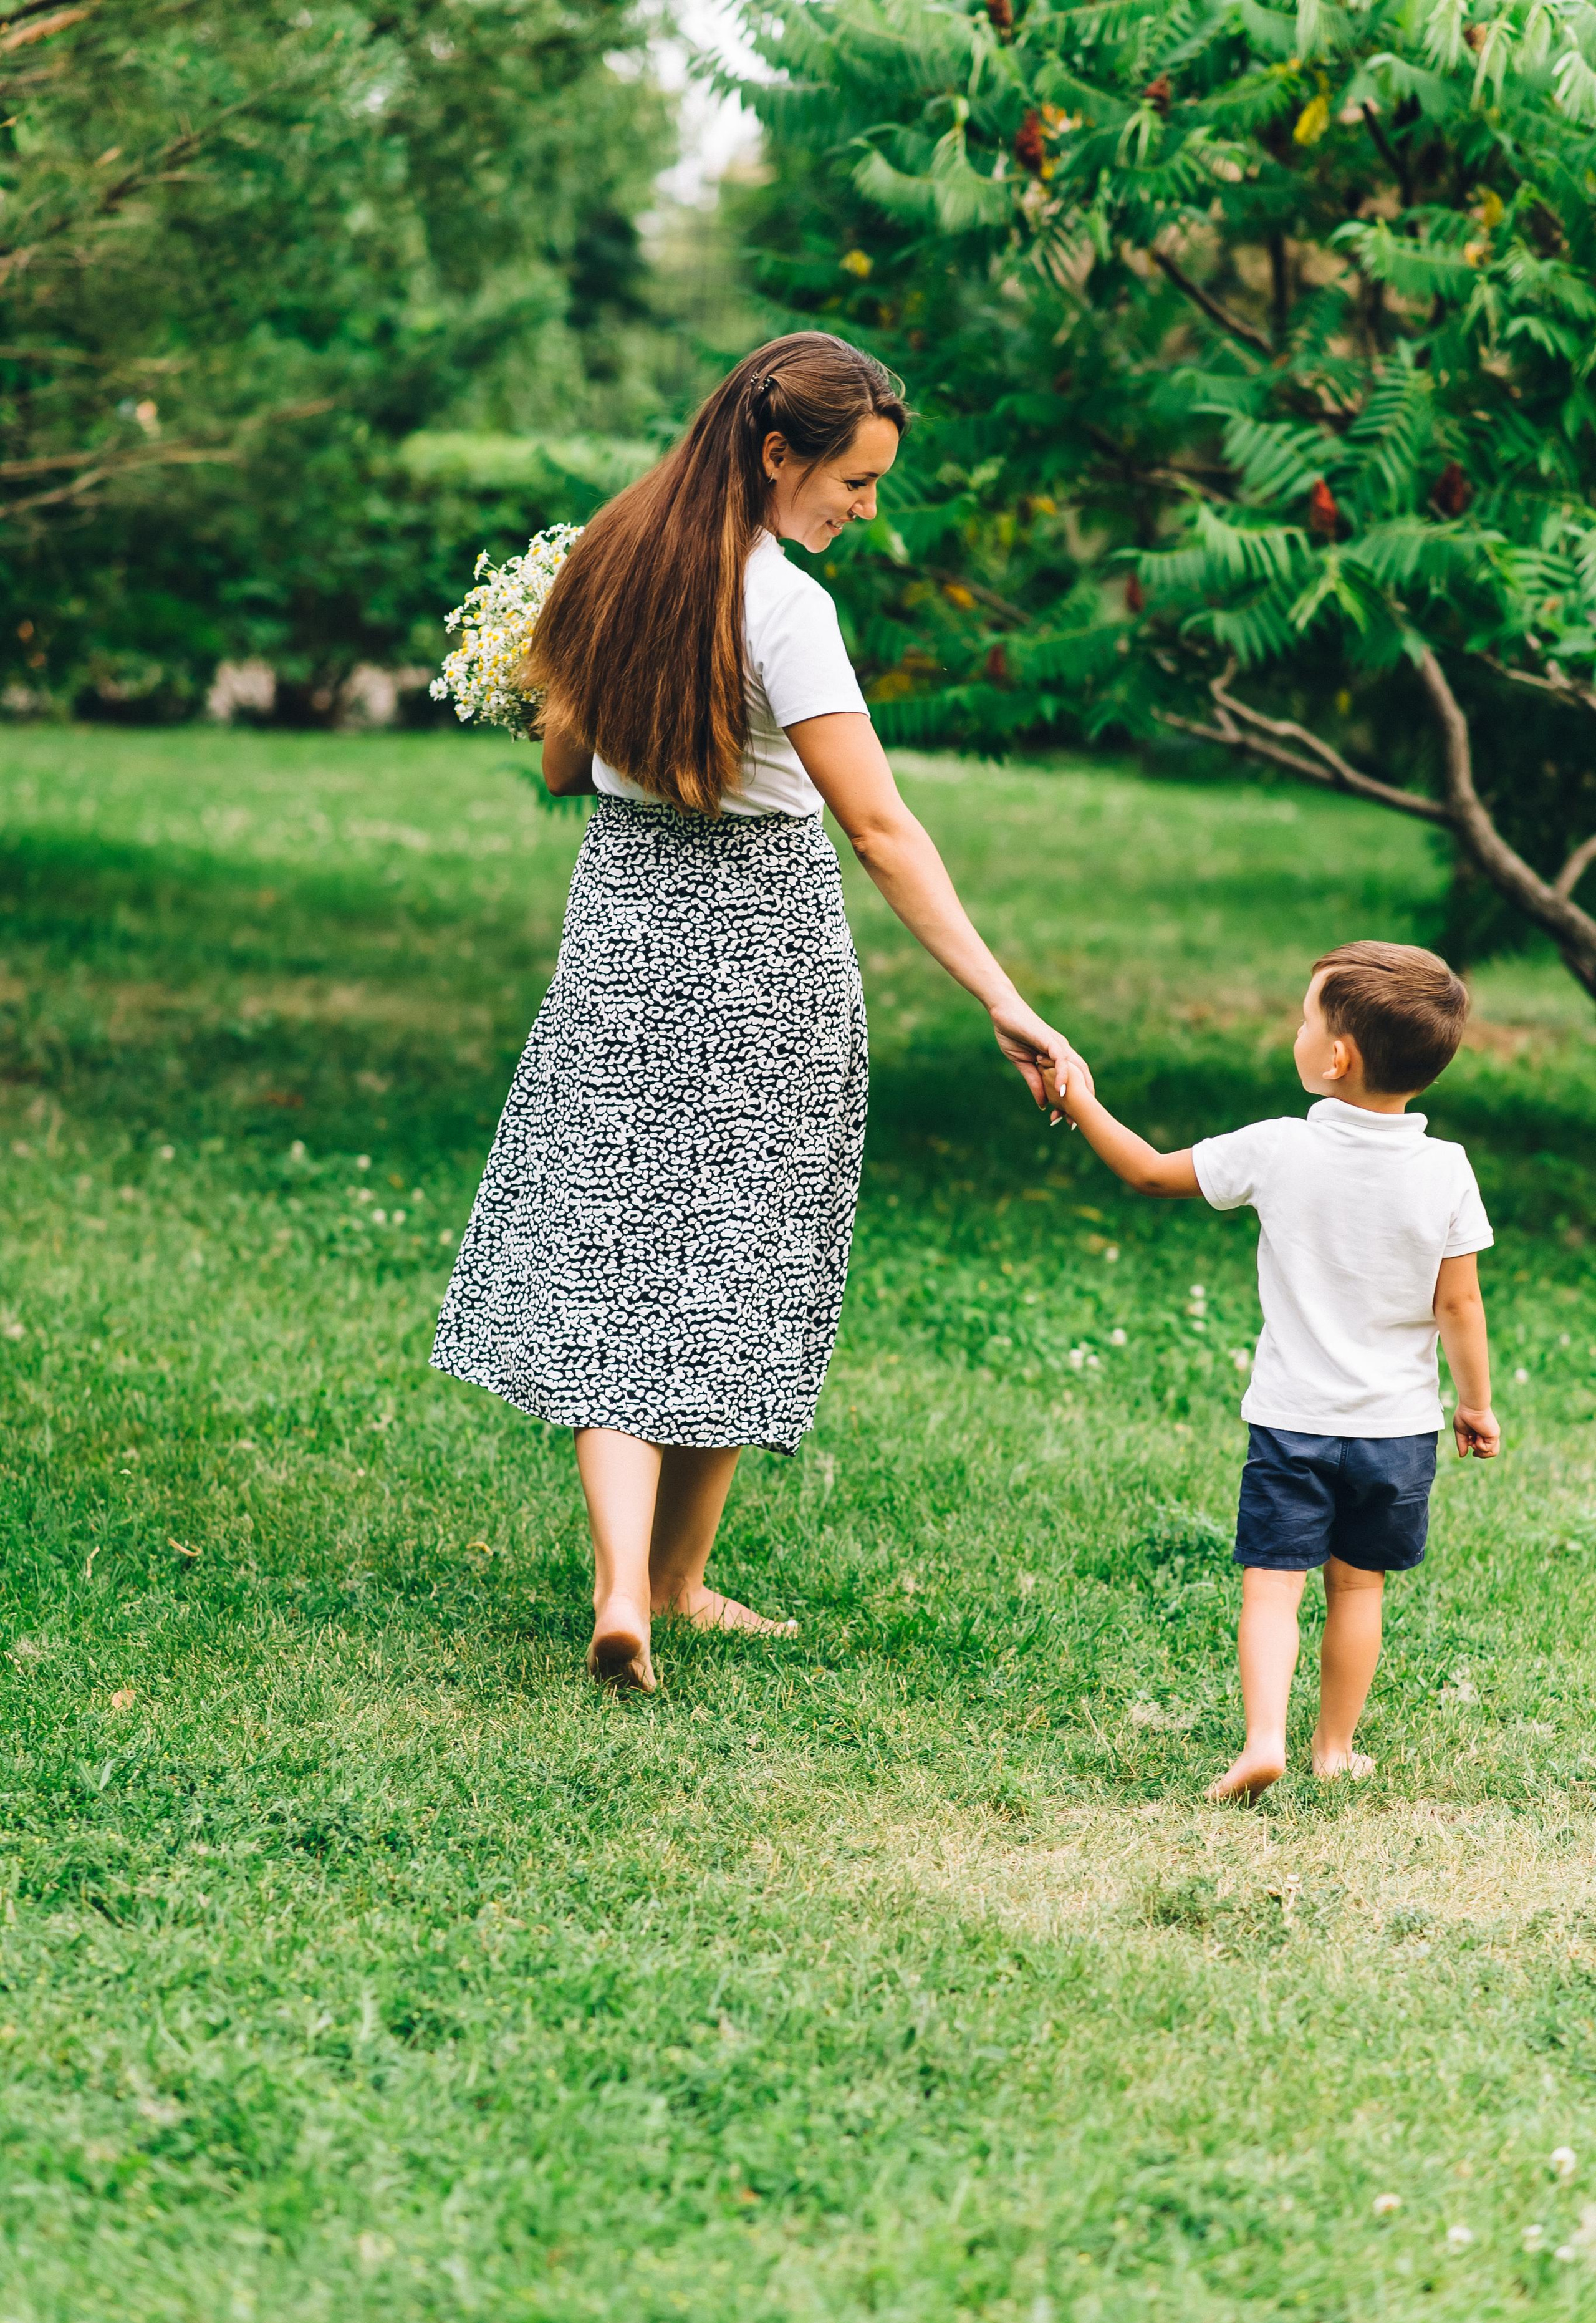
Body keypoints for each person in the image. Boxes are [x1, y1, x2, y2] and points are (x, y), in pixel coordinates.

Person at [432, 331, 1090, 1691]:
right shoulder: (785, 607)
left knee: (614, 1253)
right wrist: (1003, 997)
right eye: (854, 481)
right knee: (740, 1254)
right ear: (777, 454)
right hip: (764, 956)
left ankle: (630, 1586)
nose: (867, 508)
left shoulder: (611, 554)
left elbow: (562, 765)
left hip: (622, 937)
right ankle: (670, 1581)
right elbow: (880, 830)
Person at [1052, 939, 1499, 1802]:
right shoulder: (1446, 1169)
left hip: (1294, 1420)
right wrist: (1474, 1404)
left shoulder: (1278, 1148)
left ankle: (1264, 1740)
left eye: (1305, 1019)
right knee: (1358, 1589)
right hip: (1396, 1431)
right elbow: (1460, 1304)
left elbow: (1149, 1173)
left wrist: (1081, 1098)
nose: (1296, 1031)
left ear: (1337, 1058)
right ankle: (1334, 1747)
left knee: (1271, 1589)